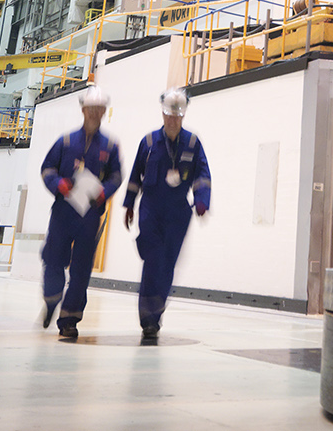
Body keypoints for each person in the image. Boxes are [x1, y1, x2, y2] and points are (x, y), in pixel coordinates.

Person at [124, 88, 210, 344]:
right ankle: (147, 320)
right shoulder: (148, 143)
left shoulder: (192, 144)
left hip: (177, 214)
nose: (172, 119)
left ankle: (155, 315)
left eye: (177, 115)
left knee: (166, 266)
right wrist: (129, 204)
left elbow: (202, 175)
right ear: (162, 113)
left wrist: (202, 201)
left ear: (183, 115)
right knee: (153, 262)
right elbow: (134, 177)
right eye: (168, 115)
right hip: (150, 210)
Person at [38, 86, 124, 341]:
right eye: (91, 109)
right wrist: (58, 185)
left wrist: (105, 191)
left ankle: (69, 320)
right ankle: (52, 300)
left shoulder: (110, 145)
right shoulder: (65, 142)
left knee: (81, 269)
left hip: (89, 215)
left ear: (103, 111)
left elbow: (117, 175)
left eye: (100, 109)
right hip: (64, 211)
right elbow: (47, 169)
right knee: (53, 259)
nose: (95, 113)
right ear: (83, 109)